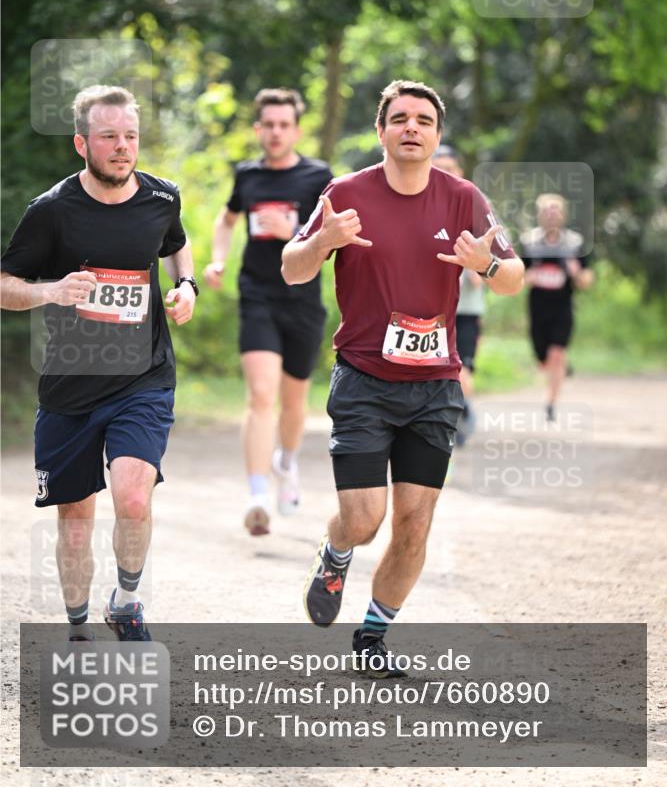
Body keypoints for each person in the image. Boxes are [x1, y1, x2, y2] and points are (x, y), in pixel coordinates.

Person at [282, 79, 524, 676]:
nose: (411, 128)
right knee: (365, 520)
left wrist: (487, 265)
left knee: (415, 522)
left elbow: (513, 274)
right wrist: (323, 244)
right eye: (399, 118)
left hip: (435, 387)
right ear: (381, 130)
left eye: (423, 120)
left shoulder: (464, 197)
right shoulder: (344, 193)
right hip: (364, 379)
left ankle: (371, 638)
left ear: (437, 134)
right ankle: (336, 553)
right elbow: (290, 268)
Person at [0, 85, 197, 641]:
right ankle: (79, 629)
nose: (122, 147)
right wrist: (51, 291)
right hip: (69, 388)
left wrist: (186, 286)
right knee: (77, 522)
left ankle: (128, 602)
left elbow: (176, 242)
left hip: (144, 377)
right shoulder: (52, 211)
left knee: (134, 497)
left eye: (130, 136)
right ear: (81, 143)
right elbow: (4, 285)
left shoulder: (162, 198)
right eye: (109, 136)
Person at [204, 88, 332, 536]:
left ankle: (287, 462)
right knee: (261, 395)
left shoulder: (319, 176)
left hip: (302, 300)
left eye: (284, 125)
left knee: (294, 403)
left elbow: (330, 235)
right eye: (269, 125)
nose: (276, 133)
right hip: (257, 294)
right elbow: (227, 219)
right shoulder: (248, 175)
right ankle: (257, 495)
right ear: (258, 130)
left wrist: (294, 229)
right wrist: (218, 259)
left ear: (296, 130)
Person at [520, 193, 594, 422]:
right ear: (540, 216)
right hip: (537, 308)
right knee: (543, 358)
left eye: (556, 211)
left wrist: (577, 273)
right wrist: (528, 276)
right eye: (546, 211)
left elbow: (587, 280)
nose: (551, 216)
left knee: (557, 353)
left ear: (563, 215)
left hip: (563, 308)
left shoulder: (575, 243)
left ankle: (551, 403)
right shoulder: (528, 242)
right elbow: (515, 276)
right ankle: (556, 369)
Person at [432, 146, 485, 445]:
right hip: (431, 310)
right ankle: (449, 413)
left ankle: (462, 411)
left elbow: (499, 268)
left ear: (460, 172)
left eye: (449, 168)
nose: (443, 174)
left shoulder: (474, 208)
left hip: (466, 309)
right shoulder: (418, 206)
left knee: (462, 371)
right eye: (437, 167)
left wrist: (480, 269)